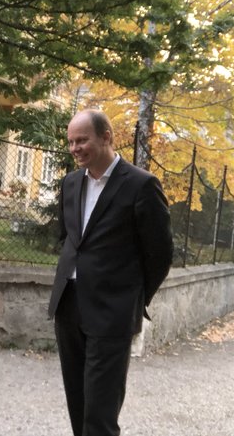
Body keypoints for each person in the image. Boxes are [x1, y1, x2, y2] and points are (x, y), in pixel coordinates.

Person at [48, 109, 173, 436]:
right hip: (68, 307)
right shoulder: (71, 182)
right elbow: (70, 238)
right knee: (78, 404)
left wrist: (132, 298)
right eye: (71, 141)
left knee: (100, 414)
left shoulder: (142, 185)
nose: (75, 148)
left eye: (82, 140)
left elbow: (160, 254)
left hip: (111, 312)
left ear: (106, 137)